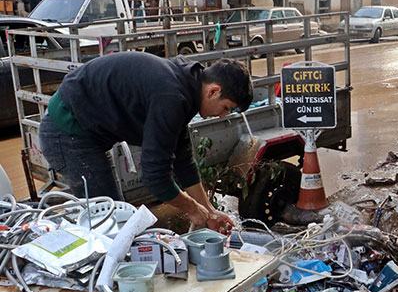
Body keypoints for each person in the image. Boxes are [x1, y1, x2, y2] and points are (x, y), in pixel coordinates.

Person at [39, 52, 252, 230]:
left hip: (84, 130)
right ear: (214, 91)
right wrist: (194, 210)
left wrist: (210, 212)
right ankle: (99, 276)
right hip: (67, 131)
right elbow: (156, 178)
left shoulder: (186, 84)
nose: (224, 115)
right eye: (227, 108)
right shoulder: (172, 97)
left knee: (114, 212)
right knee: (108, 220)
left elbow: (183, 161)